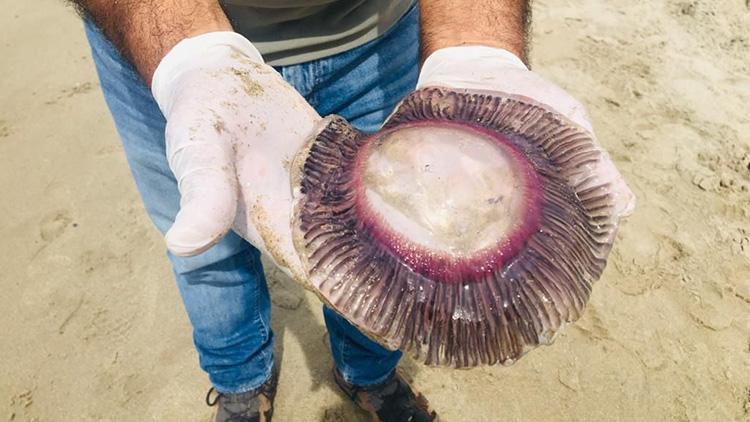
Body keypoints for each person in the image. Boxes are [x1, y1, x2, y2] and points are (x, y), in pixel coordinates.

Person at [73, 0, 631, 420]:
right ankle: (241, 383)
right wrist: (185, 54)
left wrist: (475, 41)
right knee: (204, 244)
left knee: (380, 274)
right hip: (157, 37)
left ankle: (370, 374)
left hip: (377, 36)